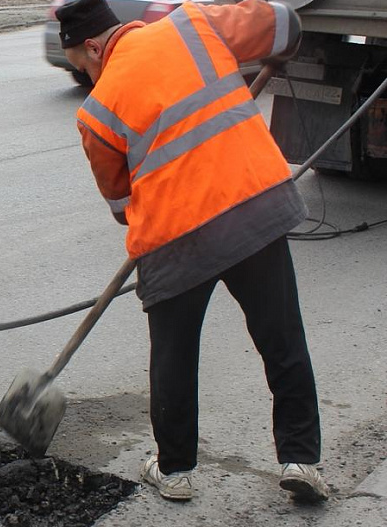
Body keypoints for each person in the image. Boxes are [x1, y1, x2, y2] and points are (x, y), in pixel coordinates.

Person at [55, 0, 328, 502]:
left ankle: (175, 471)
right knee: (282, 338)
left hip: (175, 240)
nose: (89, 78)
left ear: (93, 47)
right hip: (254, 211)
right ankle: (301, 461)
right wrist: (281, 49)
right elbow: (285, 23)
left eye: (83, 67)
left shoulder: (95, 113)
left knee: (174, 356)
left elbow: (120, 203)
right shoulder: (192, 24)